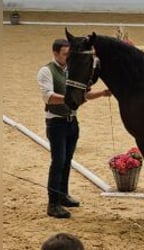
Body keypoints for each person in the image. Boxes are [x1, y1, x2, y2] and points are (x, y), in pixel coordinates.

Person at [37, 38, 111, 218]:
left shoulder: (71, 70)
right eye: (64, 54)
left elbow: (82, 95)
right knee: (58, 161)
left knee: (67, 160)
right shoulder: (46, 71)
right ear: (55, 53)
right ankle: (52, 203)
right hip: (56, 122)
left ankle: (63, 195)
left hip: (72, 121)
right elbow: (48, 97)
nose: (67, 57)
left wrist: (101, 93)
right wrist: (68, 99)